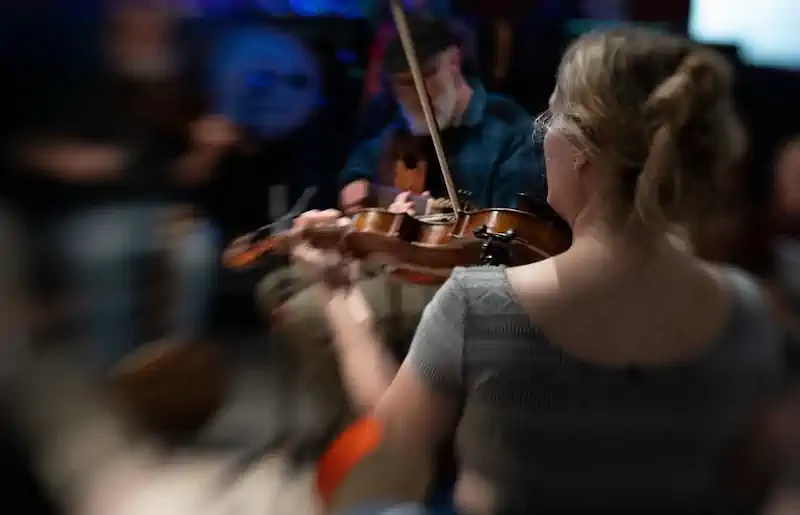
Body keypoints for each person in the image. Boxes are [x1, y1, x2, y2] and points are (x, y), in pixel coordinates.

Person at [288, 27, 785, 514]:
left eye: (552, 115)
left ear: (584, 154)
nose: (541, 137)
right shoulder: (745, 309)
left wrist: (338, 293)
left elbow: (393, 440)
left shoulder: (480, 304)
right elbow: (757, 479)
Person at [248, 14, 546, 451]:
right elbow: (363, 161)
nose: (416, 94)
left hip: (457, 275)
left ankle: (371, 448)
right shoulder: (408, 125)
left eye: (426, 76)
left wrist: (433, 216)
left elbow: (507, 235)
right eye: (402, 85)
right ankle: (341, 414)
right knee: (277, 286)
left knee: (309, 314)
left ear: (453, 63)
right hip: (396, 260)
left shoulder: (508, 131)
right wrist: (359, 187)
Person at [16, 3, 231, 370]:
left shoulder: (181, 85)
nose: (150, 23)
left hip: (167, 209)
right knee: (105, 252)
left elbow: (189, 175)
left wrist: (208, 150)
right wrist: (69, 160)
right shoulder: (72, 75)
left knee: (196, 252)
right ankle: (120, 370)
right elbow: (24, 147)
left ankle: (180, 367)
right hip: (93, 209)